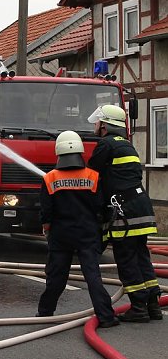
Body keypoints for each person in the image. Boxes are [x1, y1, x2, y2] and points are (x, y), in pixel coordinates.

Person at [87, 104, 161, 322]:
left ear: (105, 125)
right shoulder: (127, 145)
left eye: (98, 122)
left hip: (123, 211)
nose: (95, 125)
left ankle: (138, 308)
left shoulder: (105, 145)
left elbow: (92, 177)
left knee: (127, 259)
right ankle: (153, 305)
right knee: (141, 257)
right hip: (141, 207)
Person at [38, 131, 119, 328]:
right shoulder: (93, 176)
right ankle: (106, 317)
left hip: (60, 234)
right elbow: (101, 207)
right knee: (92, 276)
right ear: (81, 151)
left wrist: (46, 228)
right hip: (87, 232)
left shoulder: (50, 178)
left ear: (59, 152)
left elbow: (46, 212)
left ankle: (45, 313)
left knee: (56, 276)